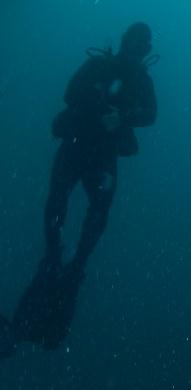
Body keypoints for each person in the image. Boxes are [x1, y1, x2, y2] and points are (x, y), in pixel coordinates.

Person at [3, 22, 156, 357]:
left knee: (96, 212)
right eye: (133, 42)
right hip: (77, 144)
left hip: (100, 154)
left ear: (143, 50)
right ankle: (57, 254)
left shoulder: (140, 80)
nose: (135, 49)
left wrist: (122, 116)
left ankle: (73, 261)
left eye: (140, 45)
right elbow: (71, 93)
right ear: (123, 42)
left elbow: (150, 114)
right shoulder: (98, 66)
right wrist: (100, 110)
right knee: (62, 202)